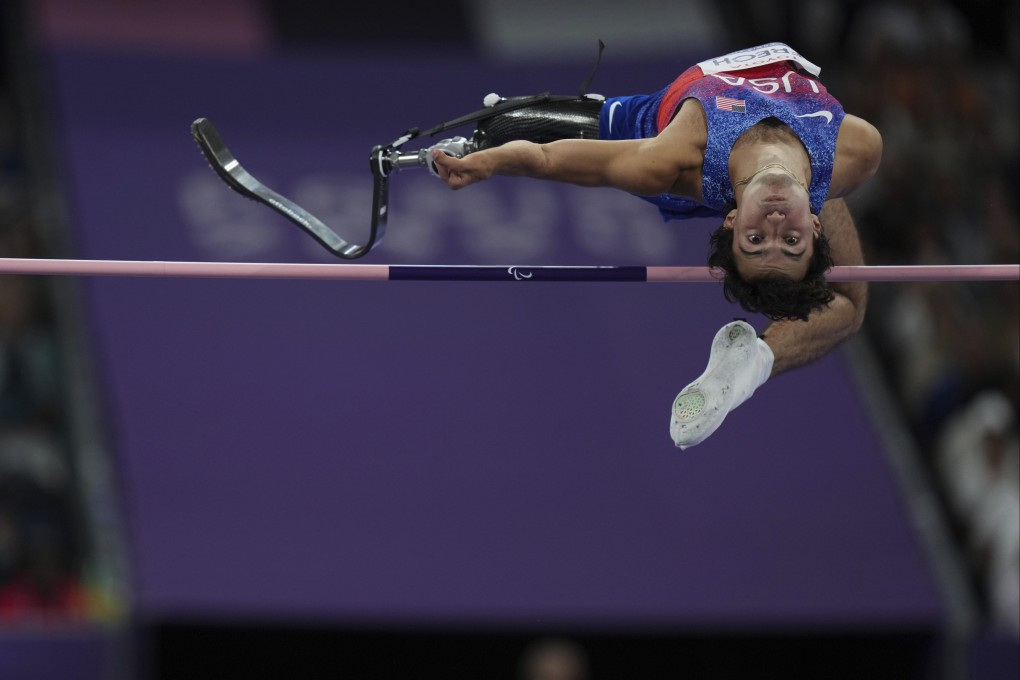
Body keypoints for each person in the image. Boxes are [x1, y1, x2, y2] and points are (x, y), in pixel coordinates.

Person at [429, 43, 881, 449]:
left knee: (507, 127)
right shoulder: (856, 150)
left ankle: (740, 371)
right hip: (783, 169)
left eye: (756, 239)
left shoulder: (670, 157)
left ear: (732, 222)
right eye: (792, 240)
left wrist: (491, 161)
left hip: (650, 130)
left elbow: (548, 160)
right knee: (846, 305)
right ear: (816, 226)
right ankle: (755, 362)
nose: (776, 220)